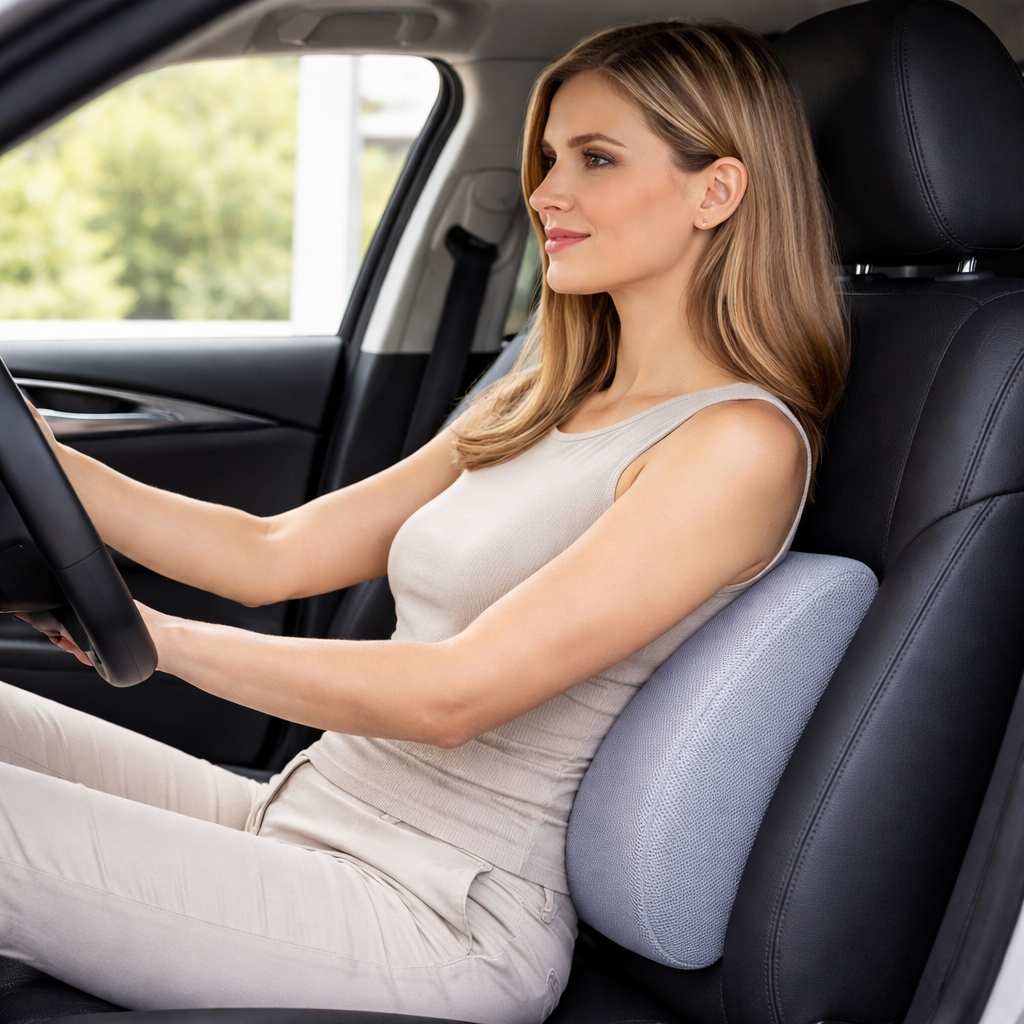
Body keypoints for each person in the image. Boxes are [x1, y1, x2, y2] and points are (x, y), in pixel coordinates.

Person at [0, 16, 849, 1024]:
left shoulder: (734, 447)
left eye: (595, 158)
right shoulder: (541, 396)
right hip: (302, 813)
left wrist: (158, 642)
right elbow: (271, 553)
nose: (542, 193)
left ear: (716, 190)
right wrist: (42, 454)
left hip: (437, 913)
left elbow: (456, 692)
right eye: (546, 158)